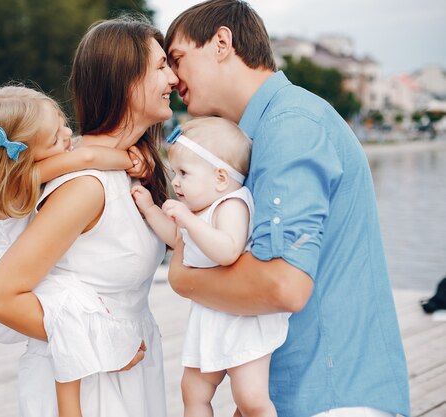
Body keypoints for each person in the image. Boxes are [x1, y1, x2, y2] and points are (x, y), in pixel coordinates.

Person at [163, 1, 411, 417]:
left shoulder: (290, 125)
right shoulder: (270, 127)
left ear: (222, 42)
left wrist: (182, 276)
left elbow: (283, 285)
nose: (172, 77)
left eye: (177, 58)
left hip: (331, 398)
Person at [0, 15, 179, 417]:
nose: (173, 78)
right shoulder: (86, 187)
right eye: (160, 67)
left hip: (128, 368)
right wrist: (106, 346)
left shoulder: (129, 168)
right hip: (90, 383)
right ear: (124, 81)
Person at [0, 85, 153, 416]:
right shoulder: (17, 183)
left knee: (68, 305)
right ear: (22, 154)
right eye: (53, 139)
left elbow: (79, 153)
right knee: (69, 305)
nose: (67, 135)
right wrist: (130, 161)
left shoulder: (19, 174)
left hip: (14, 287)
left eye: (63, 121)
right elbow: (86, 157)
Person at [132, 116, 288, 417]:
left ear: (219, 178)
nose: (175, 182)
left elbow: (228, 250)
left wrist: (188, 219)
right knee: (193, 391)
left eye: (184, 173)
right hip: (210, 315)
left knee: (250, 397)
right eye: (175, 172)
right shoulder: (198, 209)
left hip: (241, 317)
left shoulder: (232, 204)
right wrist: (151, 210)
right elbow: (179, 240)